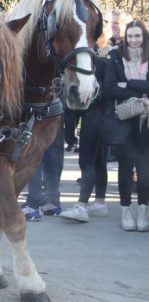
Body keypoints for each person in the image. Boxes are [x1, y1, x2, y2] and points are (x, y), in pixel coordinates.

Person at [104, 18, 149, 232]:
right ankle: (125, 209)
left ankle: (143, 209)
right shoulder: (114, 56)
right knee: (124, 165)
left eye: (137, 36)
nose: (133, 40)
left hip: (145, 121)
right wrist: (142, 92)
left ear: (144, 36)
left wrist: (129, 84)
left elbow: (121, 86)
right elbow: (110, 88)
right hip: (122, 119)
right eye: (130, 36)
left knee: (144, 167)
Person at [60, 42, 110, 222]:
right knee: (98, 161)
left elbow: (106, 92)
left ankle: (81, 206)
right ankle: (100, 203)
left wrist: (85, 96)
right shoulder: (99, 63)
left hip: (95, 115)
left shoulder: (100, 64)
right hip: (97, 115)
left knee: (87, 161)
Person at [20, 125, 65, 221]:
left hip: (38, 114)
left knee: (34, 155)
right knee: (48, 154)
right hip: (54, 114)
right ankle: (53, 202)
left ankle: (33, 206)